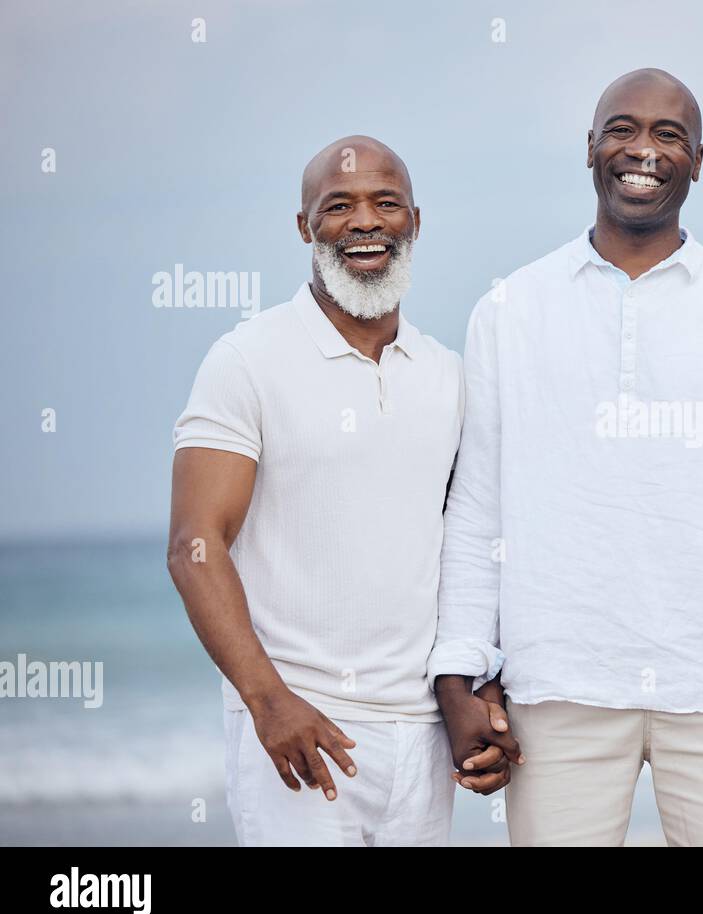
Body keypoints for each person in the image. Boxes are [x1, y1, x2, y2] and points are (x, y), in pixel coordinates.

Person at [430, 68, 703, 846]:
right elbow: (478, 508)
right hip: (557, 689)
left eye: (668, 135)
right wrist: (457, 672)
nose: (642, 150)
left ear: (697, 160)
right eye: (622, 129)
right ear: (590, 148)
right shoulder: (509, 310)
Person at [167, 136, 483, 846]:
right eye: (338, 206)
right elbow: (194, 546)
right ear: (305, 225)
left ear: (416, 221)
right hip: (299, 728)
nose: (364, 221)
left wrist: (476, 689)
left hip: (422, 736)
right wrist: (268, 700)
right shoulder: (246, 360)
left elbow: (470, 548)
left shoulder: (447, 375)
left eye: (385, 203)